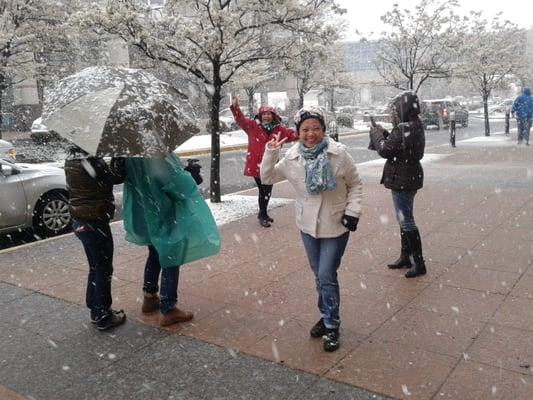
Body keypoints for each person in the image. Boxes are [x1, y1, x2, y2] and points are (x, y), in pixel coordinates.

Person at [260, 107, 362, 352]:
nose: (311, 133)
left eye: (316, 128)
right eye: (305, 129)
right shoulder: (292, 158)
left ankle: (332, 325)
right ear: (298, 132)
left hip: (336, 224)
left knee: (326, 275)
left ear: (323, 129)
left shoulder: (339, 154)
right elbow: (267, 178)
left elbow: (356, 184)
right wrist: (270, 153)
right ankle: (326, 313)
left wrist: (353, 211)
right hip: (307, 225)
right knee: (319, 275)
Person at [123, 152, 220, 327]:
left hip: (145, 210)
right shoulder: (156, 152)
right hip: (163, 211)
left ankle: (149, 296)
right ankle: (168, 308)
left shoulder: (131, 154)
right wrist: (190, 175)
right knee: (170, 254)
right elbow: (174, 183)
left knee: (154, 251)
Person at [64, 146, 126, 331]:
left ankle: (95, 307)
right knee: (104, 268)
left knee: (96, 266)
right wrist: (119, 157)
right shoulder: (89, 161)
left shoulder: (72, 158)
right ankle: (102, 315)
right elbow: (115, 178)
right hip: (94, 221)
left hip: (81, 221)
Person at [369, 91, 426, 279]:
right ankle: (405, 257)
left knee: (407, 221)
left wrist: (376, 134)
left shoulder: (406, 128)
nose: (394, 112)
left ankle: (419, 262)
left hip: (404, 178)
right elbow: (396, 144)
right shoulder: (412, 125)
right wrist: (384, 133)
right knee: (404, 219)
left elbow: (385, 149)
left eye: (396, 108)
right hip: (408, 176)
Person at [230, 96, 298, 227]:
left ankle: (263, 214)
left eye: (269, 114)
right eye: (264, 114)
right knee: (264, 190)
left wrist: (307, 132)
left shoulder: (279, 130)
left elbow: (293, 135)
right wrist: (235, 108)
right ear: (260, 115)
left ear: (273, 116)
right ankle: (262, 215)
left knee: (267, 190)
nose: (266, 116)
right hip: (256, 165)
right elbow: (240, 120)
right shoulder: (252, 126)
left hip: (270, 166)